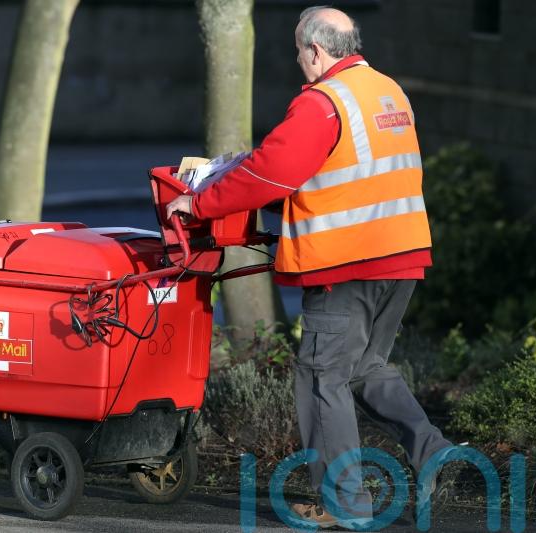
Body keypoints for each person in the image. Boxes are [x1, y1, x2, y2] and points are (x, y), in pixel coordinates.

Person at [166, 5, 453, 529]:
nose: (298, 60)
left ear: (316, 51)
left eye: (299, 50)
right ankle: (432, 452)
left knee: (323, 379)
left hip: (346, 264)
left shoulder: (323, 104)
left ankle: (344, 504)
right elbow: (345, 178)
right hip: (402, 256)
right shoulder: (388, 91)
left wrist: (201, 201)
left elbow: (270, 172)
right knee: (364, 368)